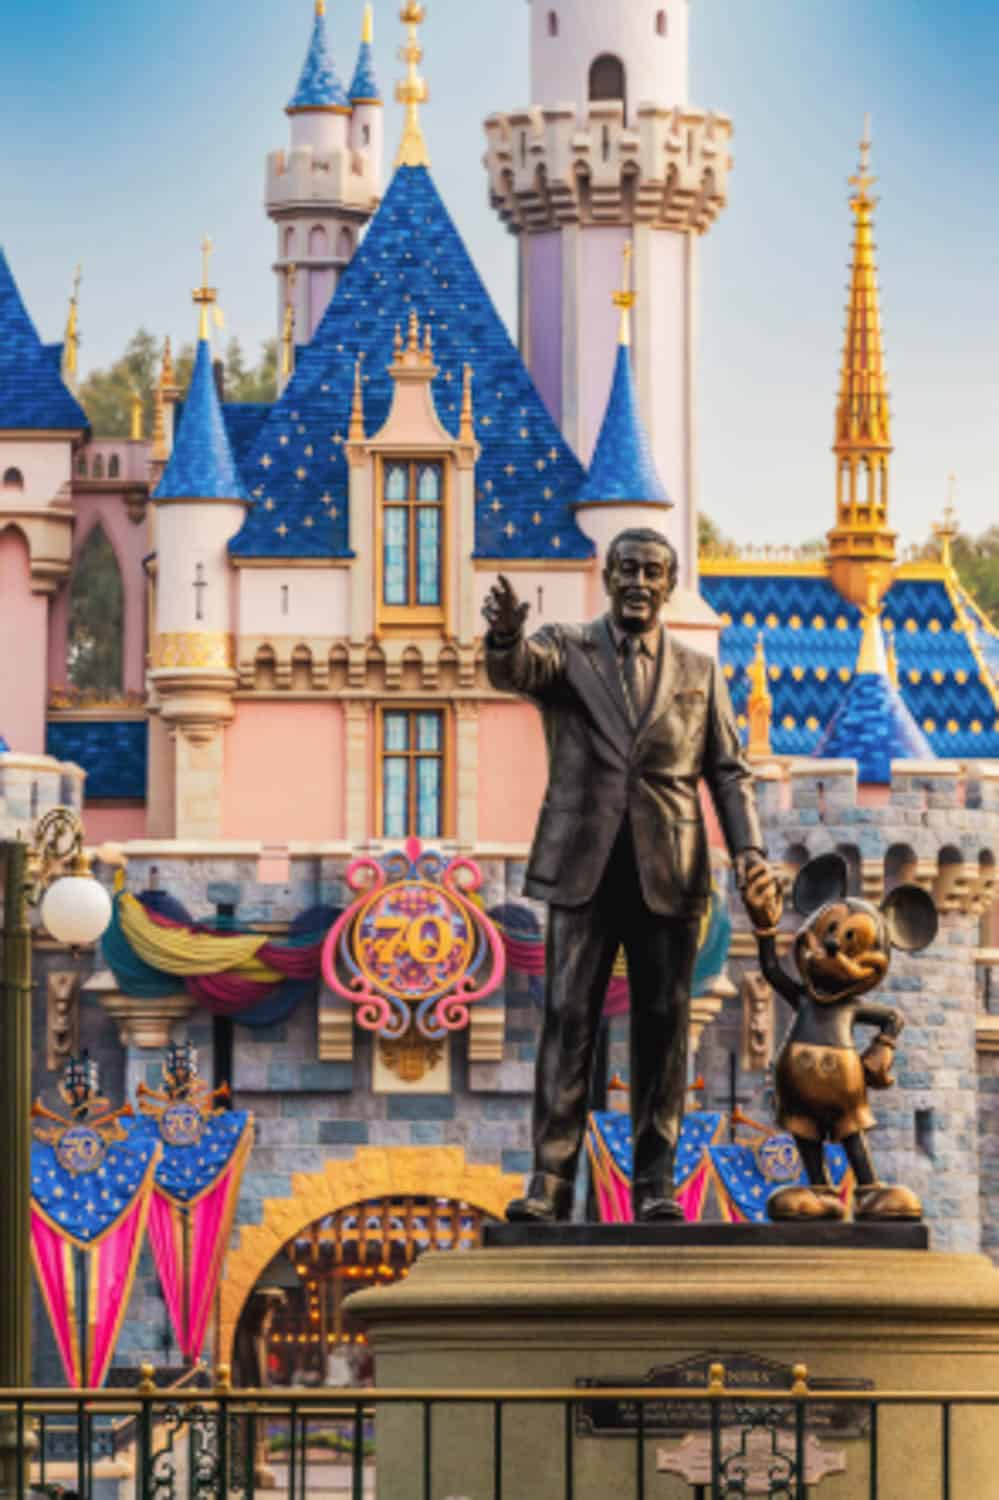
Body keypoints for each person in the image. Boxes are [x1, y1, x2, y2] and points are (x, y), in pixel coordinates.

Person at [484, 527, 782, 1222]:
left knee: (663, 1028)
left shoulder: (696, 672)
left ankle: (654, 1185)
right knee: (567, 1022)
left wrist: (749, 853)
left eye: (652, 571)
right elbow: (515, 670)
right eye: (627, 570)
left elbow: (727, 772)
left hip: (668, 871)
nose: (639, 582)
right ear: (608, 578)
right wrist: (503, 639)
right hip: (583, 867)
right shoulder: (566, 649)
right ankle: (551, 1182)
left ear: (669, 583)